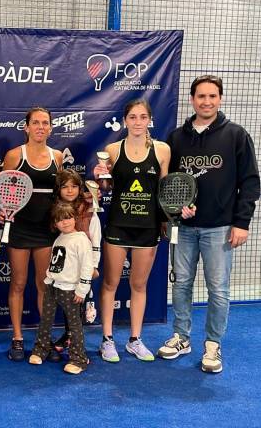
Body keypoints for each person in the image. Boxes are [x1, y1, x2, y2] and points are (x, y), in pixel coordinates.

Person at [158, 75, 260, 373]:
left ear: (220, 99)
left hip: (221, 228)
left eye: (212, 96)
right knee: (181, 286)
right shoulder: (177, 139)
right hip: (185, 229)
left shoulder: (236, 135)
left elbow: (250, 182)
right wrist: (176, 210)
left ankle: (213, 345)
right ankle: (182, 337)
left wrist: (241, 222)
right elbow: (169, 184)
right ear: (192, 100)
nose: (206, 101)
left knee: (218, 289)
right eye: (201, 96)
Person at [93, 98, 170, 363]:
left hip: (147, 228)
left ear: (150, 120)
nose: (137, 122)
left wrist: (172, 216)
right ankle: (107, 339)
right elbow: (105, 190)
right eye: (132, 117)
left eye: (142, 117)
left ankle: (135, 340)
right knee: (111, 283)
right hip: (117, 225)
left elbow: (165, 191)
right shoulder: (112, 150)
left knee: (139, 285)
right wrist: (100, 178)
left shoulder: (162, 151)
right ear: (125, 121)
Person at [1, 107, 64, 361]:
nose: (40, 127)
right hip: (20, 228)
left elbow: (62, 194)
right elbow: (2, 192)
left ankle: (44, 337)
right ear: (26, 127)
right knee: (17, 283)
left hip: (45, 231)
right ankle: (17, 338)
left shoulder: (57, 157)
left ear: (50, 128)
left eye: (45, 123)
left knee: (44, 285)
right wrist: (5, 212)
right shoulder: (15, 155)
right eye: (35, 123)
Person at [28, 202, 94, 374]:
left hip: (70, 289)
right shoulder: (59, 238)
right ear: (54, 223)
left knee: (74, 325)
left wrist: (82, 289)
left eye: (68, 218)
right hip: (52, 286)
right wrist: (48, 278)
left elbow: (87, 266)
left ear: (75, 218)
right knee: (46, 320)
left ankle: (78, 359)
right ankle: (41, 350)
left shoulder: (81, 239)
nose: (65, 222)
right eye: (60, 220)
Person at [51, 170, 101, 354]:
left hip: (84, 265)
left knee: (77, 301)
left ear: (80, 189)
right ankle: (68, 334)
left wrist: (94, 265)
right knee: (67, 301)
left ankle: (76, 341)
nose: (70, 191)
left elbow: (95, 236)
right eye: (65, 187)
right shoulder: (57, 209)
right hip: (66, 267)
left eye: (74, 186)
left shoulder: (89, 207)